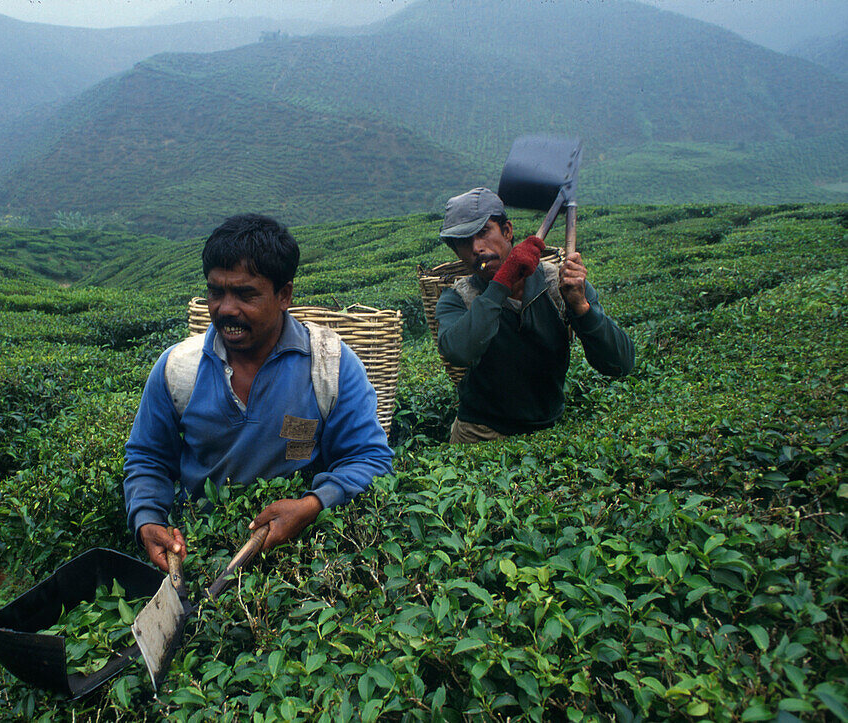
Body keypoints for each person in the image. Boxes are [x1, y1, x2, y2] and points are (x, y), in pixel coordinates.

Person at [123, 213, 394, 570]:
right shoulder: (178, 368)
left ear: (284, 295)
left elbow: (370, 459)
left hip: (298, 558)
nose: (226, 309)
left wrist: (313, 505)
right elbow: (147, 458)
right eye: (216, 291)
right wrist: (147, 519)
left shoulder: (329, 365)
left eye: (245, 294)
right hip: (196, 552)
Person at [434, 187, 634, 443]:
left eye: (483, 233)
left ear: (507, 231)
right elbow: (458, 352)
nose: (476, 248)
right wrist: (502, 283)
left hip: (548, 431)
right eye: (464, 242)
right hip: (479, 434)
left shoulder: (557, 285)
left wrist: (582, 308)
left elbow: (621, 363)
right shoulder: (459, 297)